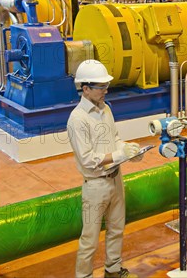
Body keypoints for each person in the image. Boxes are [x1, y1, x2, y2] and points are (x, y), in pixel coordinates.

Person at [67, 59, 142, 278]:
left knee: (117, 229)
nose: (106, 91)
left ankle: (113, 270)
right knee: (90, 239)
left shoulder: (105, 109)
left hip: (115, 178)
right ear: (86, 88)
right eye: (101, 87)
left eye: (106, 86)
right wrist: (120, 155)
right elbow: (88, 159)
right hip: (96, 185)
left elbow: (115, 138)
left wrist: (129, 151)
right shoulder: (77, 120)